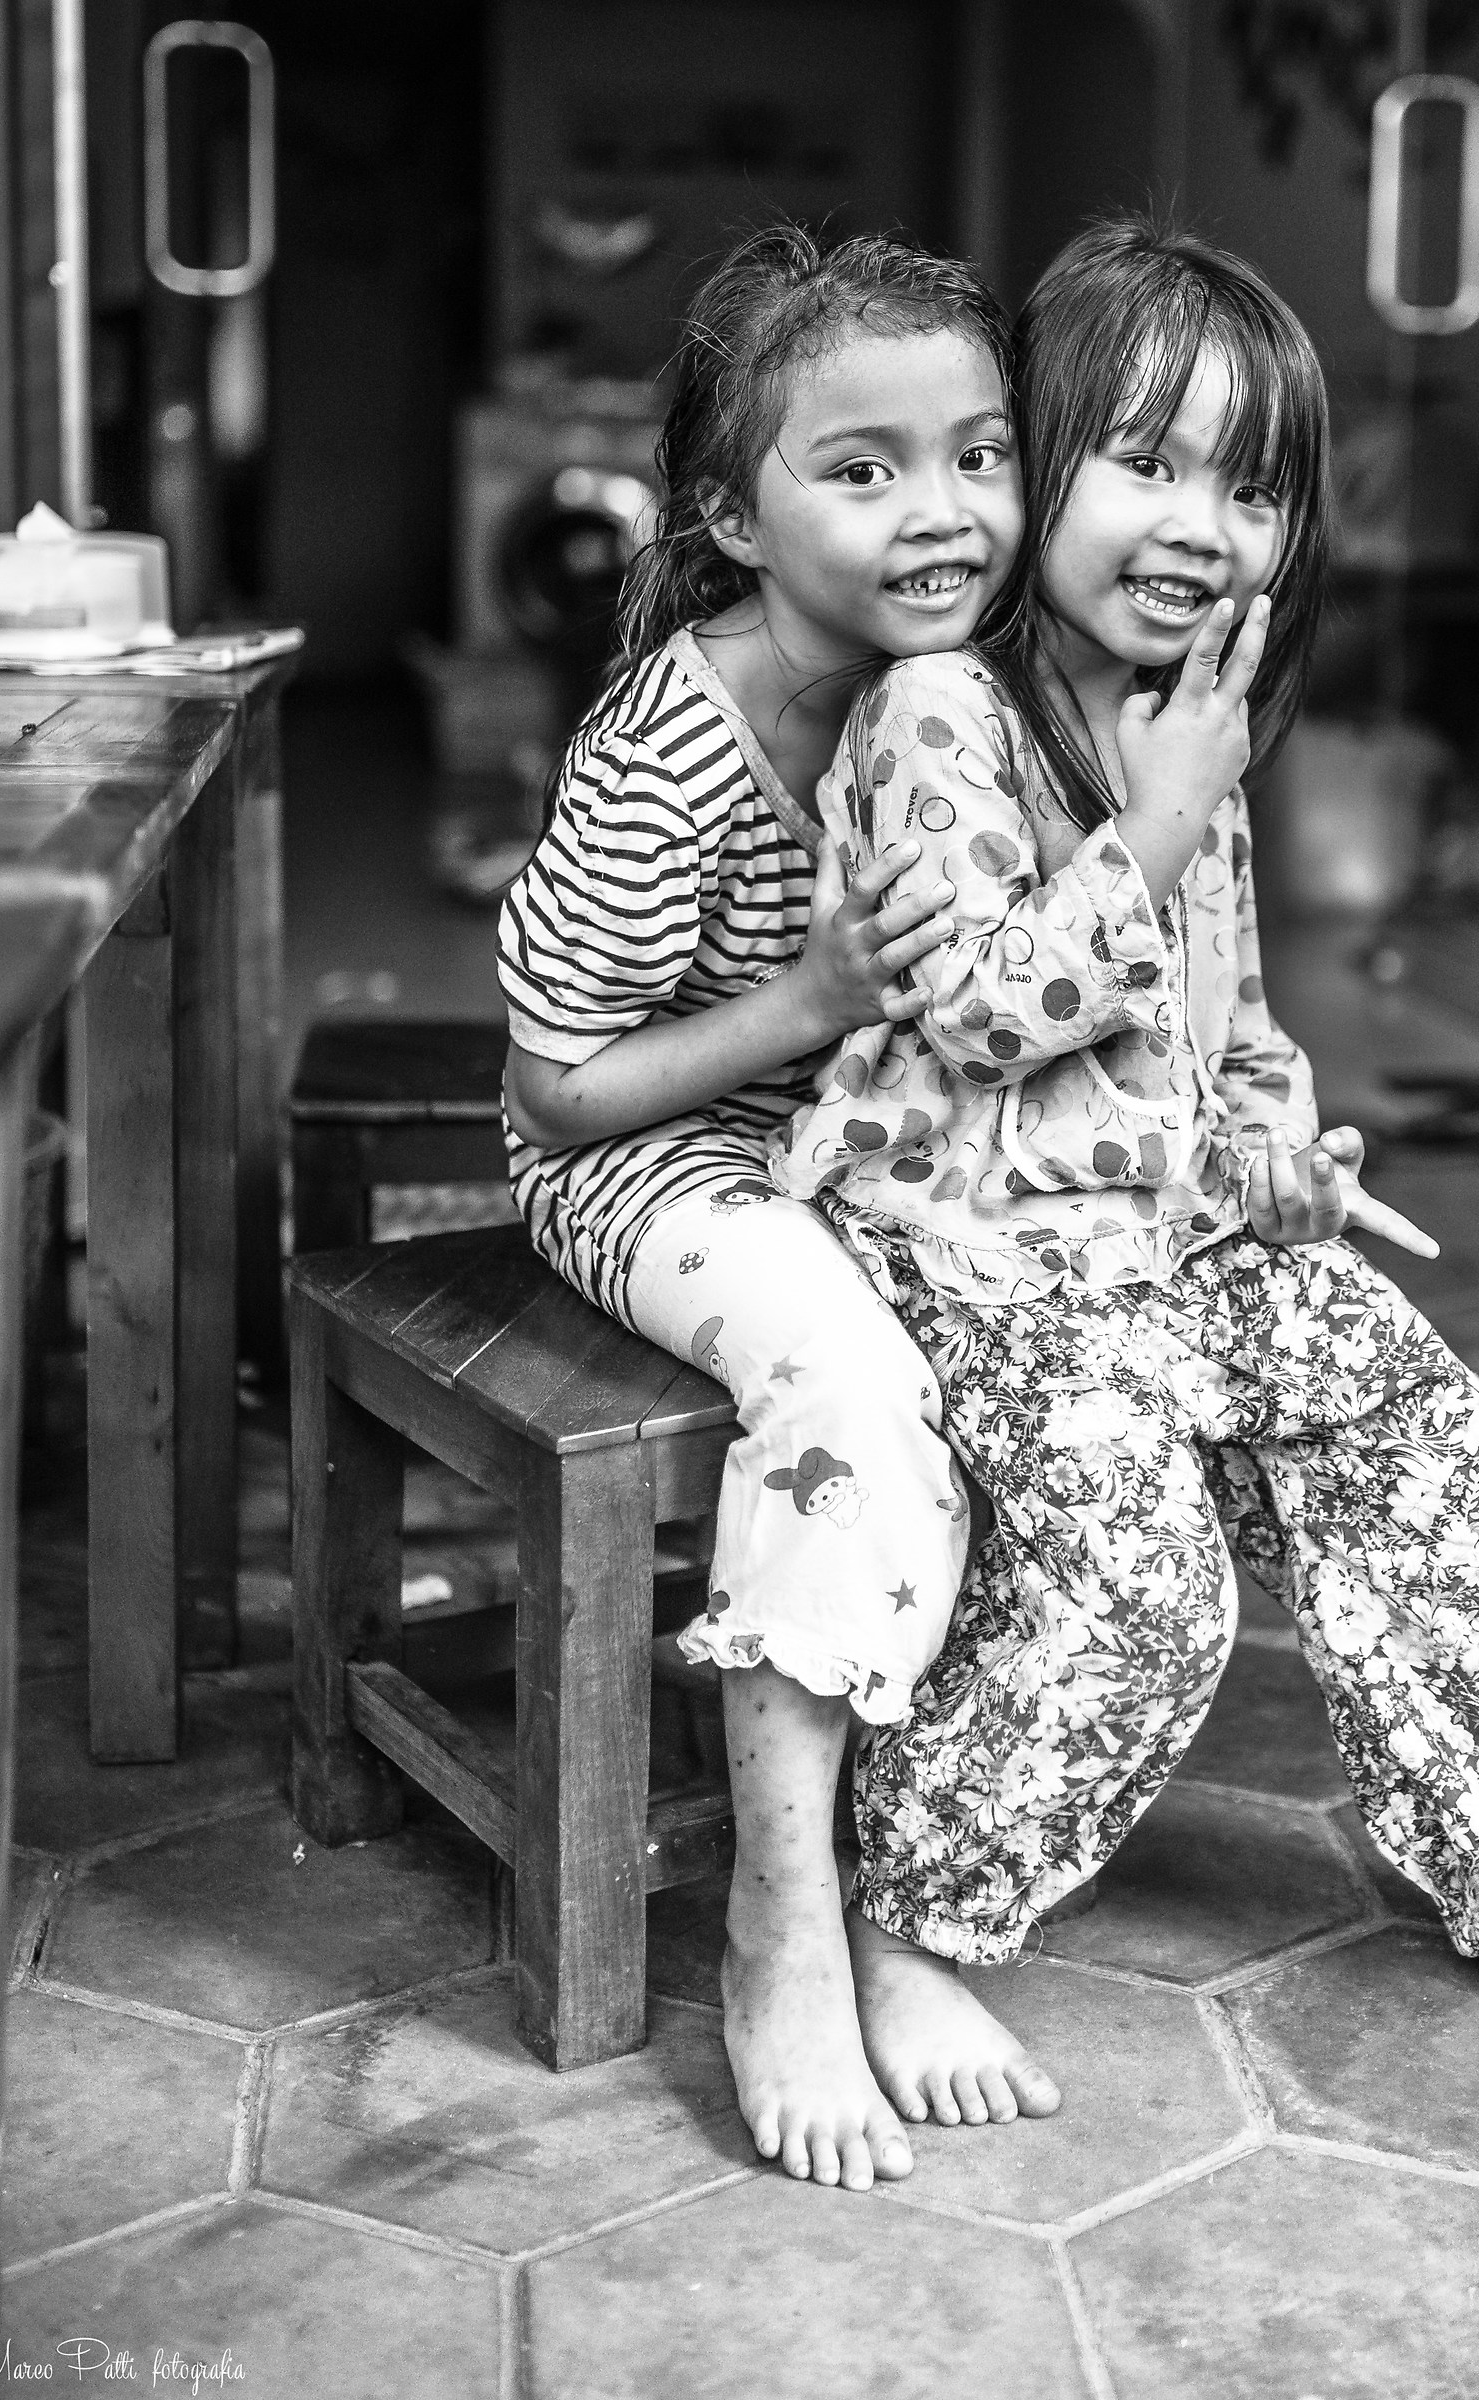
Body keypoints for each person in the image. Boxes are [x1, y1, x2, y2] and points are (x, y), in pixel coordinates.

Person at [773, 216, 1479, 2112]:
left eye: (1253, 489)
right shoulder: (937, 711)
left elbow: (1227, 1028)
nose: (1201, 528)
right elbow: (976, 1012)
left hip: (1170, 1241)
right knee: (1145, 1584)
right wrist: (1152, 823)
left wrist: (1282, 1156)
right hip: (965, 1252)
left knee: (1431, 1438)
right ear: (1035, 467)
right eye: (1147, 463)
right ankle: (911, 1924)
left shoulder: (1190, 738)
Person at [497, 225, 1051, 2194]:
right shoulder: (670, 747)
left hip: (856, 1137)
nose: (944, 510)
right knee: (854, 1385)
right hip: (645, 1157)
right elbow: (557, 1082)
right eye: (865, 467)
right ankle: (785, 1921)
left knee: (1052, 1370)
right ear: (734, 518)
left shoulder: (966, 692)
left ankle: (922, 1902)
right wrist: (809, 1003)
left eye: (979, 455)